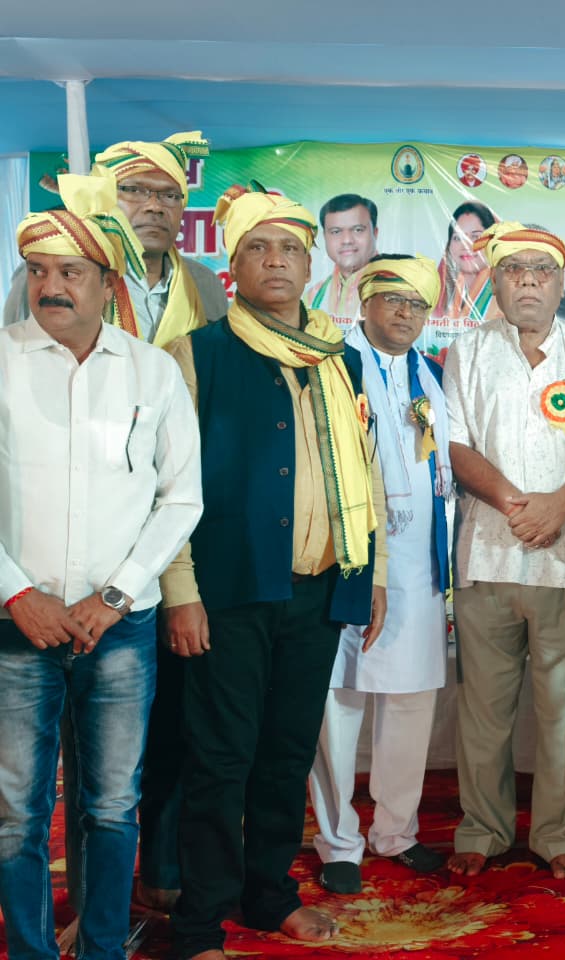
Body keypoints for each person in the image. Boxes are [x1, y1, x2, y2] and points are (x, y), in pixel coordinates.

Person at [160, 184, 388, 959]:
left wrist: (373, 574)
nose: (277, 260)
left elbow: (368, 471)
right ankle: (200, 924)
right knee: (219, 759)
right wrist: (181, 593)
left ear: (311, 263)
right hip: (227, 593)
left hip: (317, 588)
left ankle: (268, 895)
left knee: (287, 752)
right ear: (234, 265)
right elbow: (168, 486)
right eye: (259, 247)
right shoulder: (197, 354)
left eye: (290, 247)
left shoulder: (341, 359)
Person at [0, 174, 202, 960]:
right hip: (16, 626)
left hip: (120, 630)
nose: (51, 287)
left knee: (113, 806)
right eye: (38, 271)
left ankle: (104, 949)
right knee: (16, 814)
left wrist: (115, 596)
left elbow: (181, 499)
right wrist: (17, 592)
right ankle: (30, 951)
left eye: (70, 272)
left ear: (108, 282)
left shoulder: (152, 372)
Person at [443, 221, 565, 881]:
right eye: (514, 269)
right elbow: (455, 443)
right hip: (488, 554)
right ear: (493, 281)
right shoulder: (467, 351)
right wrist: (515, 503)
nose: (528, 281)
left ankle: (556, 832)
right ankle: (483, 828)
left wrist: (559, 504)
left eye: (541, 270)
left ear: (559, 282)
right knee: (483, 708)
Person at [308, 255, 452, 894]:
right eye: (393, 299)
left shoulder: (433, 375)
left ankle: (396, 831)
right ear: (363, 303)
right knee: (338, 703)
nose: (405, 313)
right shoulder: (333, 367)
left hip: (421, 564)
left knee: (411, 702)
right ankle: (339, 840)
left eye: (417, 304)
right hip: (350, 559)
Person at [3, 131, 225, 334]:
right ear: (104, 198)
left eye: (170, 196)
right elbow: (19, 353)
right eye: (134, 190)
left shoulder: (204, 283)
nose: (155, 206)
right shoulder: (51, 276)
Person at [305, 194, 379, 325]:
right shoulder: (313, 296)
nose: (346, 240)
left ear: (375, 233)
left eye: (357, 230)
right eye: (336, 232)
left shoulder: (398, 289)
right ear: (325, 237)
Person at [433, 201, 499, 322]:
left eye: (476, 237)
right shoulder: (442, 296)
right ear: (449, 245)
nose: (466, 245)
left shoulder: (504, 299)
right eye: (458, 238)